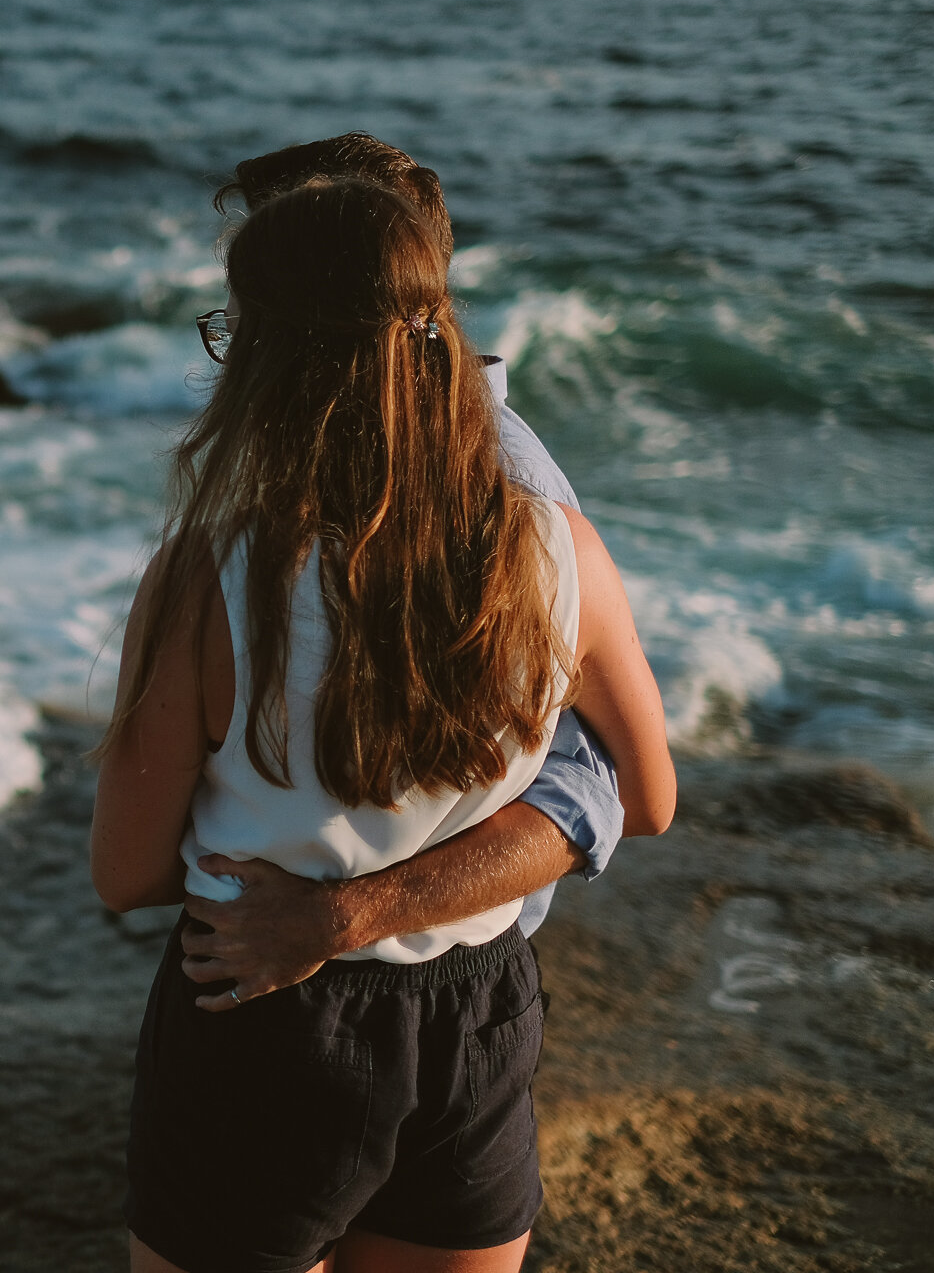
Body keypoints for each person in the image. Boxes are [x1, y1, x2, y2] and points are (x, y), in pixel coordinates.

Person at [91, 177, 675, 1272]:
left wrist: (290, 879)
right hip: (477, 1014)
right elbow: (645, 797)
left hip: (260, 1013)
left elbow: (123, 871)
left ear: (268, 355)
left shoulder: (208, 579)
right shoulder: (561, 547)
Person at [173, 134, 625, 1014]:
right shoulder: (348, 472)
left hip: (433, 975)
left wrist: (338, 917)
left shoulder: (505, 487)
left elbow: (598, 785)